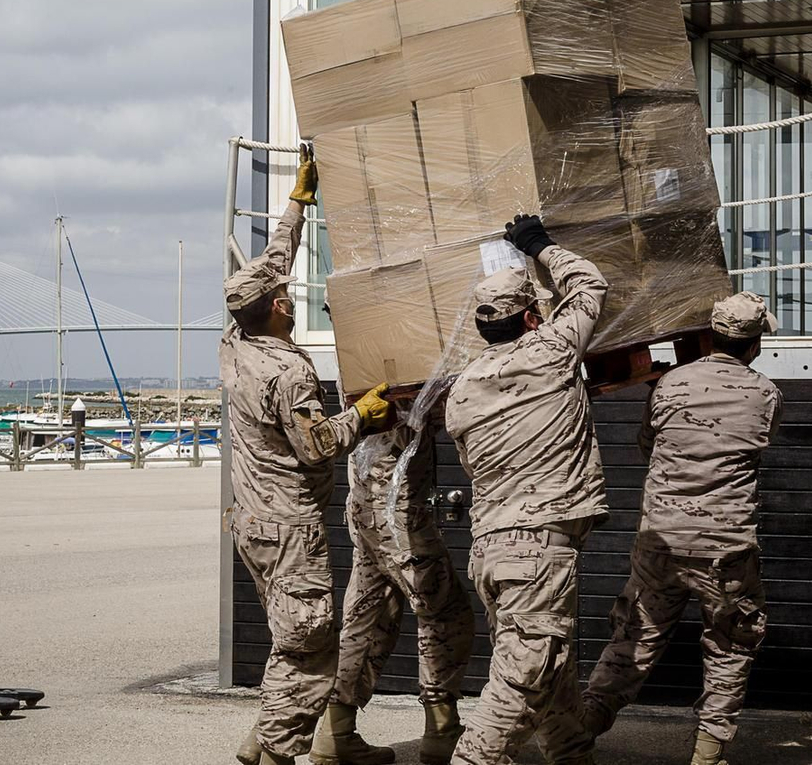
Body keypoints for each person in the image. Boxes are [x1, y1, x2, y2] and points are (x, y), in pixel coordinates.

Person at [223, 147, 392, 765]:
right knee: (312, 651)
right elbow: (317, 443)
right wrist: (364, 415)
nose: (292, 300)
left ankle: (260, 738)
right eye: (284, 298)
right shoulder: (290, 372)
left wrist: (299, 201)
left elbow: (271, 262)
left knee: (288, 639)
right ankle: (275, 750)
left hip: (251, 523)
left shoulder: (235, 344)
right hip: (290, 528)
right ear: (272, 310)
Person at [581, 292, 782, 765]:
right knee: (731, 645)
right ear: (754, 344)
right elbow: (758, 447)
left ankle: (580, 729)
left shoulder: (668, 384)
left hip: (661, 540)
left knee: (635, 639)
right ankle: (708, 753)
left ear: (710, 335)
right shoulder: (765, 393)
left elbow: (648, 446)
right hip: (725, 547)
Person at [442, 214, 609, 765]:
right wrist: (538, 245)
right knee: (524, 677)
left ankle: (573, 754)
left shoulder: (460, 391)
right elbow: (589, 284)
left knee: (547, 673)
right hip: (538, 547)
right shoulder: (552, 351)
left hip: (491, 550)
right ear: (533, 316)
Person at [316, 400, 475, 765]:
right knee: (446, 615)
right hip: (399, 515)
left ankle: (335, 731)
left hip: (365, 509)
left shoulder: (357, 367)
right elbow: (437, 412)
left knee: (367, 619)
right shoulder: (402, 373)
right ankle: (441, 728)